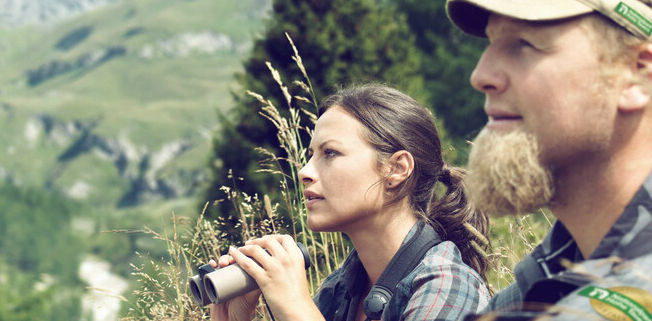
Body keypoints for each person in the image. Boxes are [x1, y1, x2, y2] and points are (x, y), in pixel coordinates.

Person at [445, 0, 652, 318]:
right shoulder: (564, 259)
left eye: (524, 43)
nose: (480, 74)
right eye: (490, 42)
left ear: (637, 73)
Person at [210, 84, 491, 321]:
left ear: (396, 169)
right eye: (311, 155)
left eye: (330, 153)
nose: (304, 172)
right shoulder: (340, 289)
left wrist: (297, 309)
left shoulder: (449, 287)